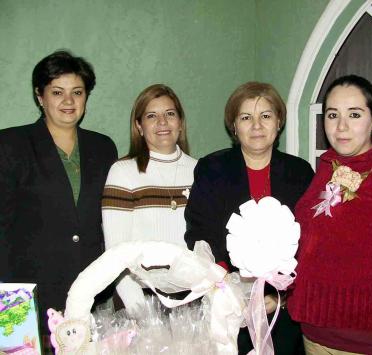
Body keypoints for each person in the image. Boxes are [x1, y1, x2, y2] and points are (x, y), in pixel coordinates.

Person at [184, 81, 314, 354]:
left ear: (278, 122)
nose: (256, 125)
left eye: (265, 116)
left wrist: (279, 295)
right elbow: (200, 233)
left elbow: (310, 241)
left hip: (285, 310)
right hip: (230, 308)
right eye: (246, 117)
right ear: (234, 126)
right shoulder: (212, 169)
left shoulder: (300, 172)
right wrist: (234, 291)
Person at [0, 51, 117, 342]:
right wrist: (8, 299)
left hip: (90, 292)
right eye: (57, 92)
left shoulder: (103, 148)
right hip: (24, 295)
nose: (68, 101)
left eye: (77, 92)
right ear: (40, 96)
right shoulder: (11, 144)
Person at [288, 75, 372, 354]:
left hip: (366, 340)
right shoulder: (326, 169)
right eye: (332, 115)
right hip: (314, 333)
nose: (341, 126)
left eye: (354, 114)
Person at [102, 84, 197, 313]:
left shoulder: (201, 171)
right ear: (139, 126)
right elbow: (117, 254)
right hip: (141, 300)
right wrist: (141, 313)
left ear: (180, 122)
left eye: (170, 114)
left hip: (194, 299)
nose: (162, 122)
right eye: (152, 116)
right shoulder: (123, 172)